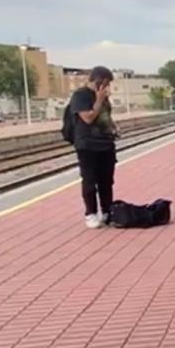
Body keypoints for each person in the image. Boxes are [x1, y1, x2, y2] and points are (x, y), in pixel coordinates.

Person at [70, 66, 120, 229]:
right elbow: (88, 118)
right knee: (90, 180)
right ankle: (91, 214)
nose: (108, 87)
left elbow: (105, 115)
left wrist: (113, 126)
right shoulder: (80, 95)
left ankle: (107, 211)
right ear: (100, 81)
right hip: (88, 144)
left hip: (105, 143)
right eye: (107, 83)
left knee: (106, 180)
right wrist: (98, 99)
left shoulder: (104, 97)